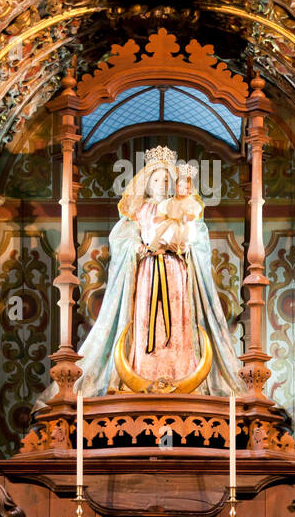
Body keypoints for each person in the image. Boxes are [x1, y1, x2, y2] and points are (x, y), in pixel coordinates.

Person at [72, 146, 241, 396]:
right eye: (156, 179)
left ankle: (182, 375)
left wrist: (184, 246)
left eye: (166, 179)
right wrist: (139, 249)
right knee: (144, 320)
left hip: (175, 271)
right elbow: (121, 240)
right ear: (147, 182)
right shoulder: (140, 211)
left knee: (178, 321)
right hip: (148, 272)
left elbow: (197, 239)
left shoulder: (181, 207)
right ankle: (142, 374)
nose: (161, 183)